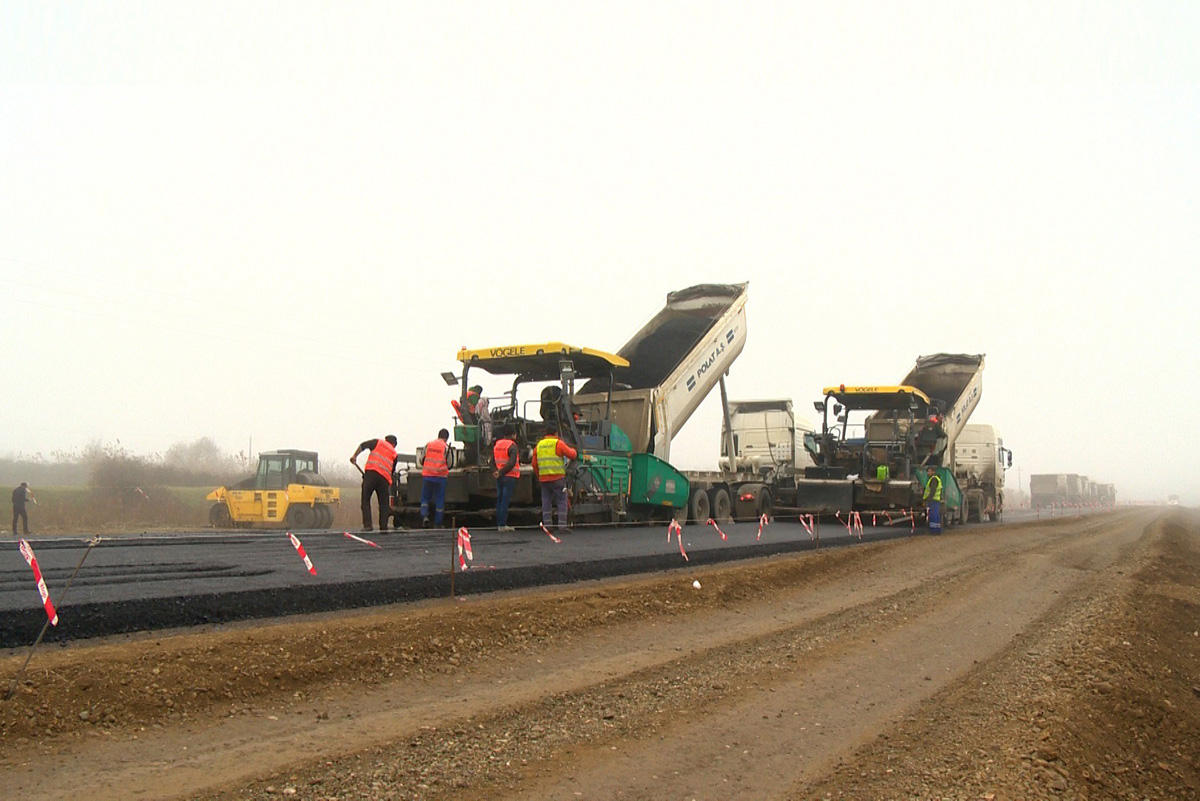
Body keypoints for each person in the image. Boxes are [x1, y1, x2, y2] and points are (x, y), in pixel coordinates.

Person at [532, 426, 577, 534]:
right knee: (562, 501)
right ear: (556, 433)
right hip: (558, 479)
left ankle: (547, 525)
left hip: (544, 480)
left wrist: (539, 476)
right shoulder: (558, 443)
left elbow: (534, 464)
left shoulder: (539, 445)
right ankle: (562, 526)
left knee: (546, 502)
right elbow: (572, 454)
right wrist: (575, 450)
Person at [350, 435, 399, 531]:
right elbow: (391, 471)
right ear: (394, 444)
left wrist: (354, 456)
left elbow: (362, 445)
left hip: (371, 475)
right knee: (384, 504)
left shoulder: (377, 442)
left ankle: (368, 525)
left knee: (365, 500)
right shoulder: (394, 454)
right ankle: (383, 527)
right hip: (384, 479)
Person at [420, 428, 451, 528]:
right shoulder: (446, 447)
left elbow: (421, 459)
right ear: (446, 438)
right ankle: (438, 523)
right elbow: (450, 463)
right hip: (440, 477)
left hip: (427, 475)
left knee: (425, 498)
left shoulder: (428, 444)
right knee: (439, 499)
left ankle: (424, 516)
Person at [492, 435, 520, 532]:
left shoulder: (497, 445)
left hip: (500, 476)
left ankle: (499, 523)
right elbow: (511, 463)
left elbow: (491, 461)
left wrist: (496, 471)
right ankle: (502, 524)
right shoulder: (512, 445)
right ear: (512, 434)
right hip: (509, 476)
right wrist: (502, 472)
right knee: (505, 500)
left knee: (499, 500)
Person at [923, 466, 943, 534]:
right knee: (936, 515)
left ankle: (934, 531)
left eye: (929, 471)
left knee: (933, 515)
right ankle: (937, 530)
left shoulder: (934, 479)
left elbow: (932, 490)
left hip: (933, 500)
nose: (928, 473)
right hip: (936, 500)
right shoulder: (936, 478)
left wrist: (928, 499)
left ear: (933, 472)